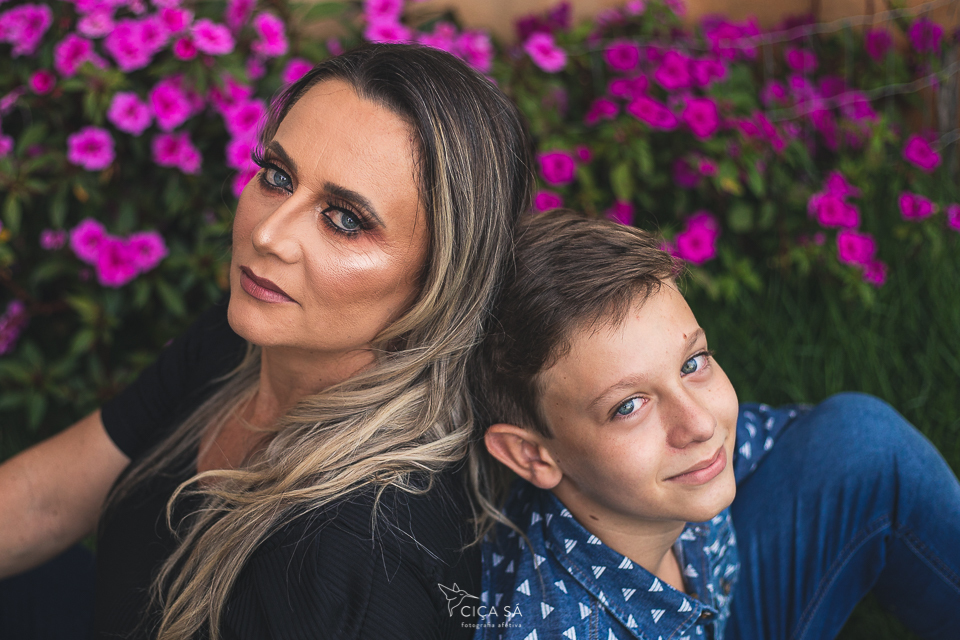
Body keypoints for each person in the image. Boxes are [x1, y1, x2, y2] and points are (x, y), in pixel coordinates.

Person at [0, 44, 535, 640]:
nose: (268, 234)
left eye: (345, 219)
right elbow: (44, 498)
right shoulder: (247, 336)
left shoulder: (364, 557)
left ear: (443, 278)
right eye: (278, 177)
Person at [469, 210, 960, 640]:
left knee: (861, 441)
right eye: (629, 406)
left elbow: (789, 441)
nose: (701, 424)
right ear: (532, 455)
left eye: (692, 363)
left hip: (715, 604)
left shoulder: (668, 476)